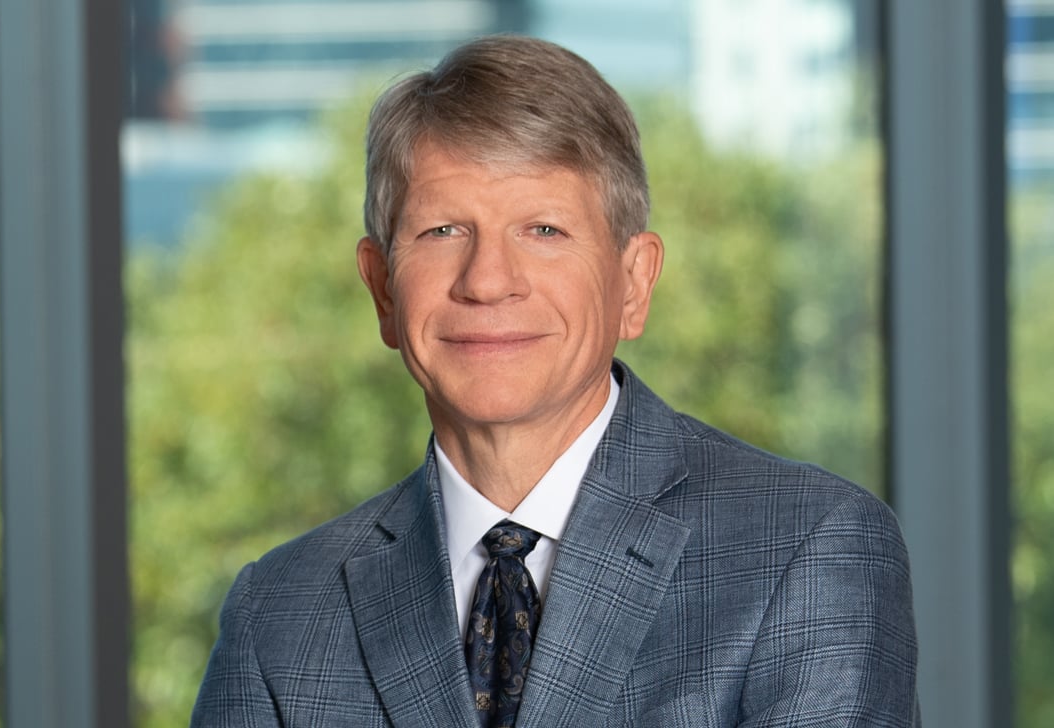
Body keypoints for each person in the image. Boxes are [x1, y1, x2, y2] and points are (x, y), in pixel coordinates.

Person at [191, 35, 919, 727]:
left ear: (634, 282)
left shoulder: (806, 550)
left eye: (544, 230)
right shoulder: (278, 615)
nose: (487, 280)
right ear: (382, 288)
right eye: (442, 231)